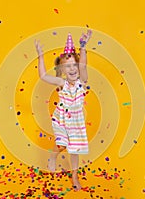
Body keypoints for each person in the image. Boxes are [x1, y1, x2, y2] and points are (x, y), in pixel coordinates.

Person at [34, 30, 92, 191]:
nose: (72, 69)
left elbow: (84, 64)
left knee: (75, 149)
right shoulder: (62, 82)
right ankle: (53, 156)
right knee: (61, 144)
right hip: (61, 119)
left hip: (76, 121)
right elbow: (43, 76)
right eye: (68, 66)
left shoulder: (83, 80)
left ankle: (74, 177)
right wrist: (40, 55)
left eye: (74, 65)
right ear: (63, 69)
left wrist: (82, 46)